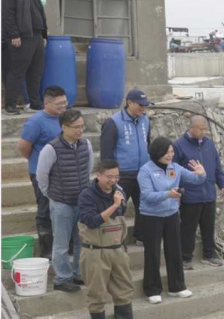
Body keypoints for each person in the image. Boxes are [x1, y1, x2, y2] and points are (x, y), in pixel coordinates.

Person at [78, 160, 150, 319]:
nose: (113, 180)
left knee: (124, 287)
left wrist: (118, 202)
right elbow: (91, 221)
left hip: (116, 249)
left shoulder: (119, 191)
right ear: (99, 175)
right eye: (109, 176)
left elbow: (121, 212)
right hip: (95, 251)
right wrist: (114, 205)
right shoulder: (87, 195)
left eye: (116, 176)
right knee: (97, 293)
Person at [138, 137, 206, 304]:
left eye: (172, 152)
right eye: (167, 152)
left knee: (174, 250)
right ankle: (152, 289)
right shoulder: (146, 171)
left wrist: (201, 172)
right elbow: (147, 196)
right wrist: (168, 194)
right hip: (151, 216)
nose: (170, 155)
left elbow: (196, 180)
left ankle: (177, 287)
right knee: (153, 252)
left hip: (172, 214)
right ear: (157, 152)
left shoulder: (174, 167)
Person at [36, 109, 92, 293]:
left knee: (80, 241)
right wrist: (52, 196)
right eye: (75, 127)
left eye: (82, 126)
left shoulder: (86, 144)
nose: (80, 130)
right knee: (60, 244)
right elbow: (41, 177)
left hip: (82, 202)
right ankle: (62, 278)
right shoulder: (51, 149)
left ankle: (78, 273)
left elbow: (88, 169)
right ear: (64, 127)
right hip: (61, 203)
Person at [172, 115, 224, 270]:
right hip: (190, 195)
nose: (205, 131)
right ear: (192, 128)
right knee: (188, 227)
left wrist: (222, 184)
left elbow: (217, 167)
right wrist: (178, 191)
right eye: (202, 129)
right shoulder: (178, 146)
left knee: (208, 226)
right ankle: (185, 258)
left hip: (209, 193)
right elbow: (174, 171)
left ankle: (209, 254)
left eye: (206, 128)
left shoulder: (209, 144)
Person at [18, 84, 66, 258]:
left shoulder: (65, 118)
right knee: (45, 209)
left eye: (64, 103)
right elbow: (24, 147)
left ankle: (63, 245)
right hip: (42, 173)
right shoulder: (36, 122)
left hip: (63, 173)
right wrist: (38, 162)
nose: (62, 107)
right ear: (46, 103)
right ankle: (46, 249)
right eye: (58, 104)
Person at [100, 89, 151, 246]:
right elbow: (106, 154)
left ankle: (141, 236)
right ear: (129, 103)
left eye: (145, 105)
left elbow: (147, 144)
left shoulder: (146, 120)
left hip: (143, 171)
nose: (143, 108)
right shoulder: (113, 122)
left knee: (144, 206)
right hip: (122, 174)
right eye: (140, 105)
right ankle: (115, 239)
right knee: (117, 207)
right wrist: (110, 177)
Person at [1, 0, 47, 115]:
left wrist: (44, 35)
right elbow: (7, 12)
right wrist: (14, 34)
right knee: (17, 71)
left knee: (36, 72)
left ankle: (35, 103)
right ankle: (10, 104)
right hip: (22, 36)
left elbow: (40, 14)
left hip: (37, 35)